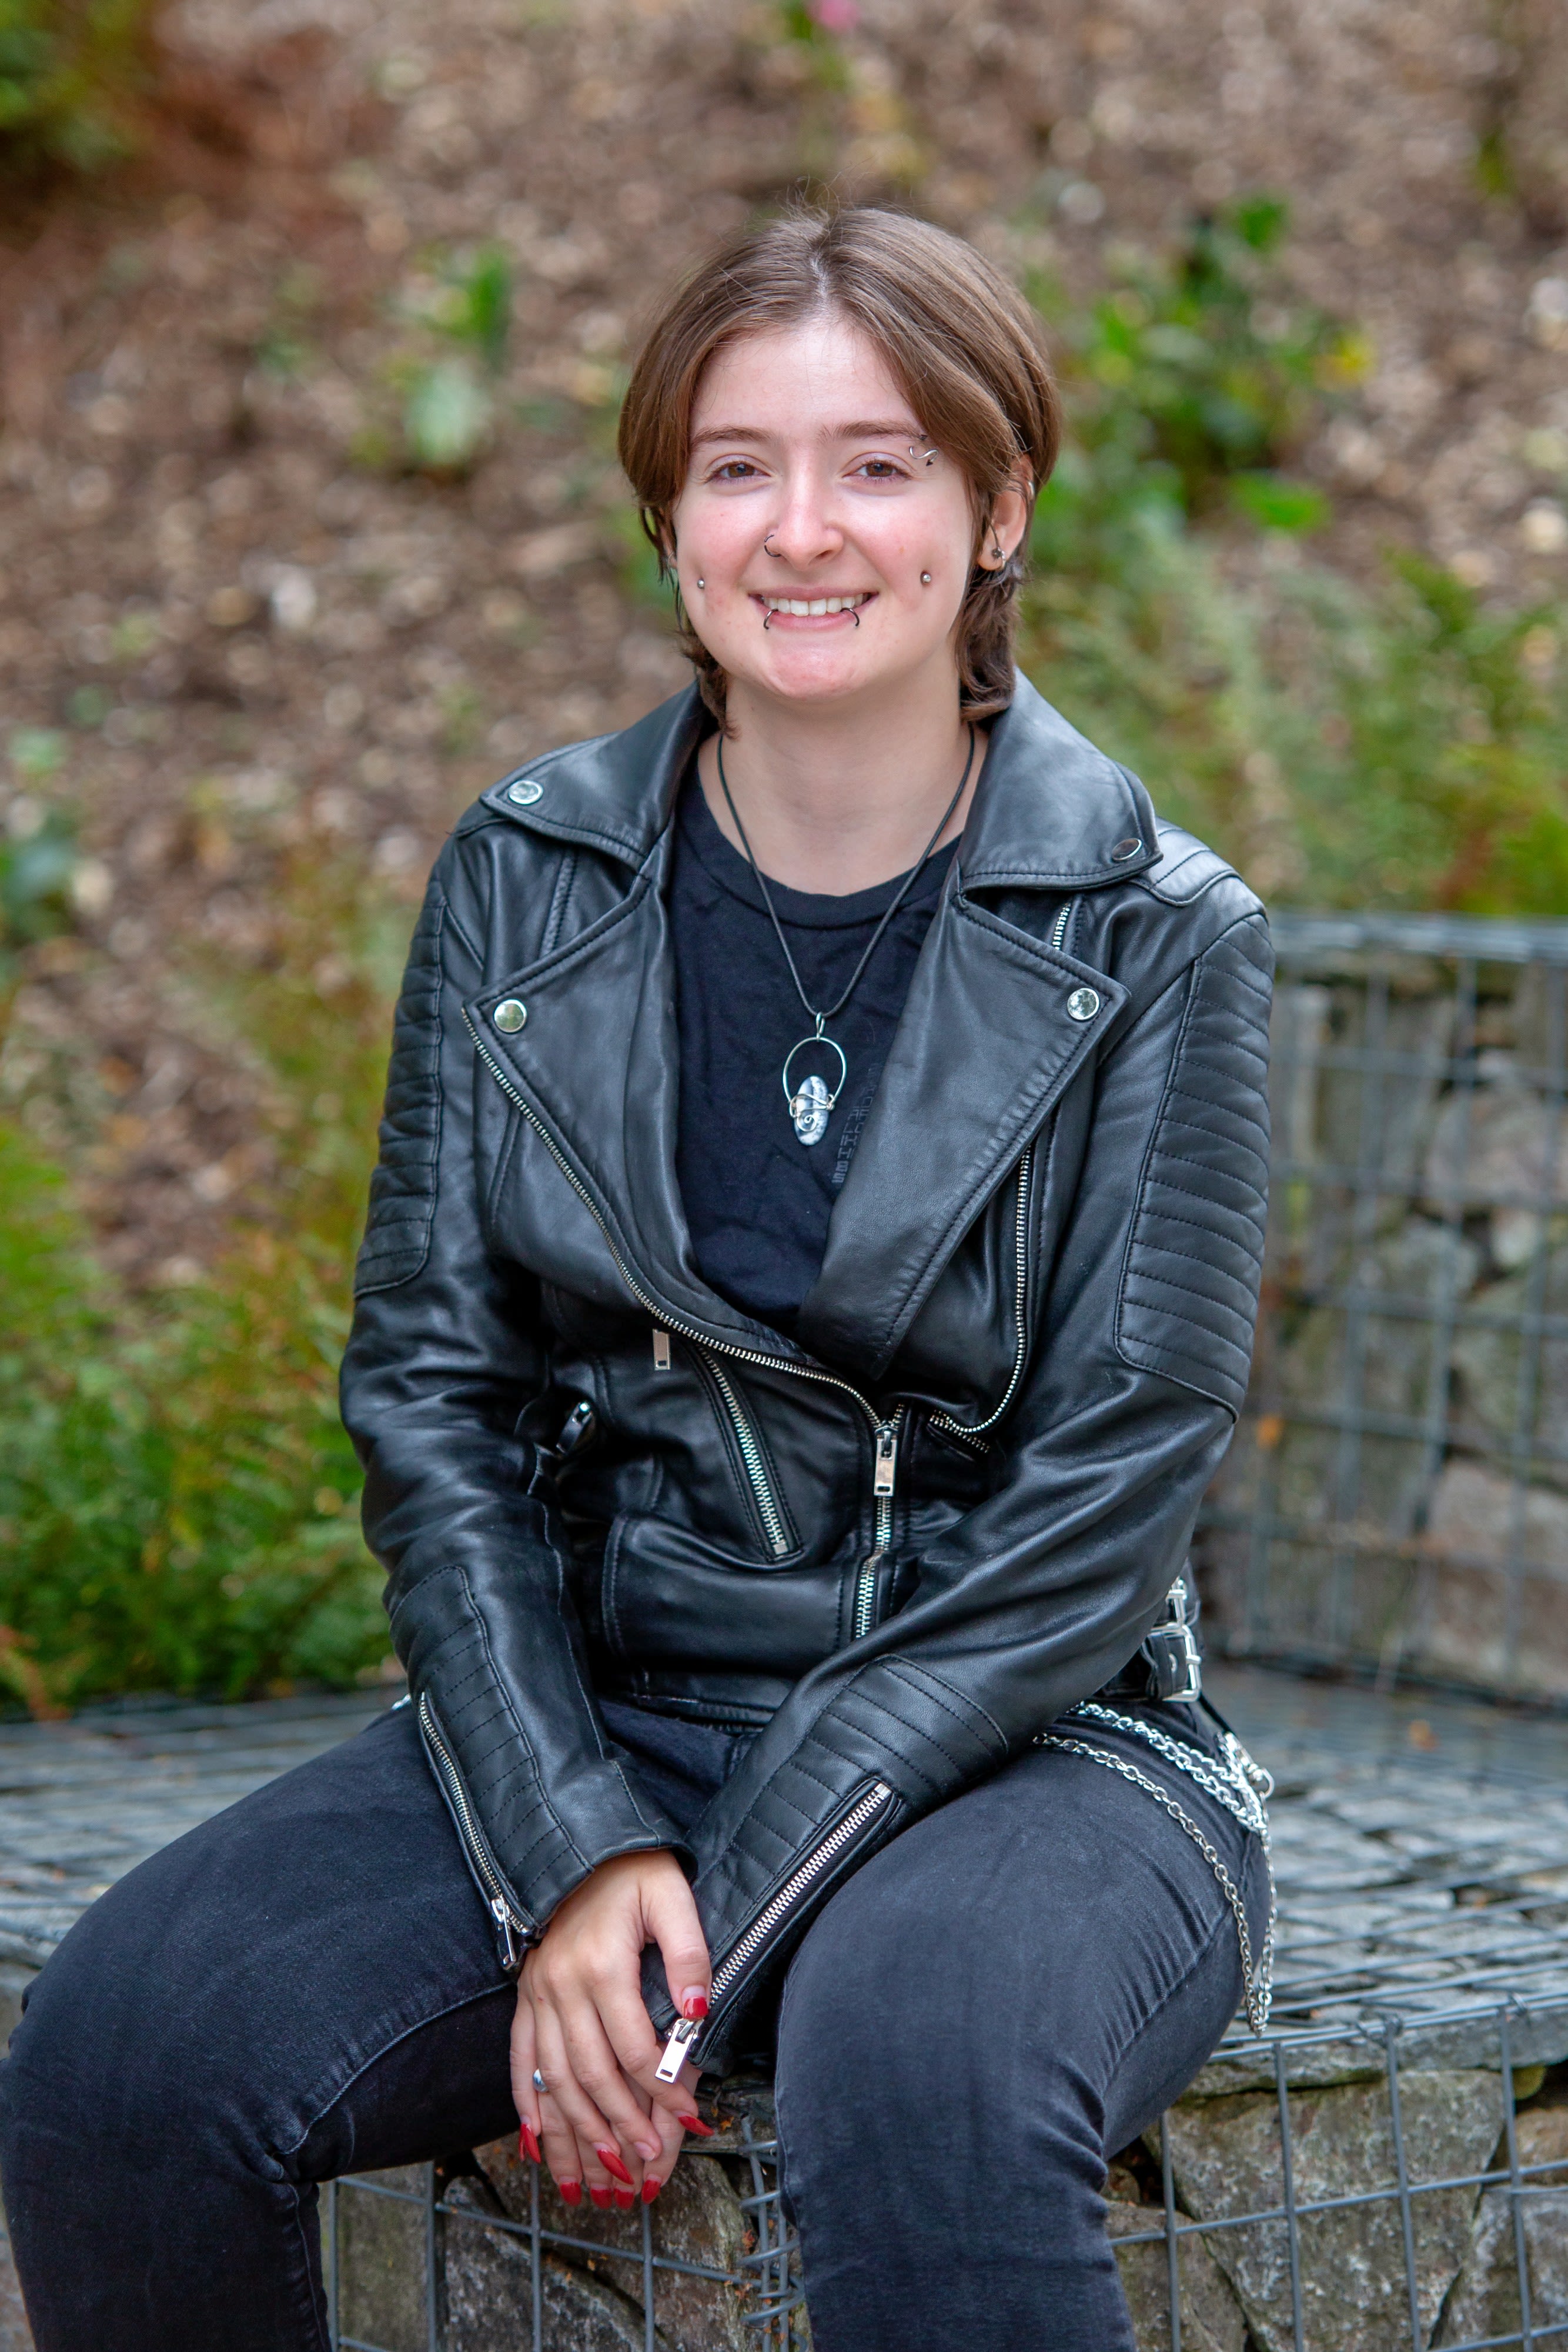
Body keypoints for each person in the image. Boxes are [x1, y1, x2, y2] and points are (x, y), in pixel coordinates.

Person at [0, 205, 1275, 2352]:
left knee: (927, 2084)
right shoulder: (529, 875)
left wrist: (724, 1899)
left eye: (878, 462)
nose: (803, 527)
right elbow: (431, 1393)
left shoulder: (1159, 933)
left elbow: (1101, 1507)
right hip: (609, 1710)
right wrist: (573, 1845)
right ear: (667, 518)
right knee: (124, 2065)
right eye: (735, 465)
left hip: (1039, 1748)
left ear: (996, 509)